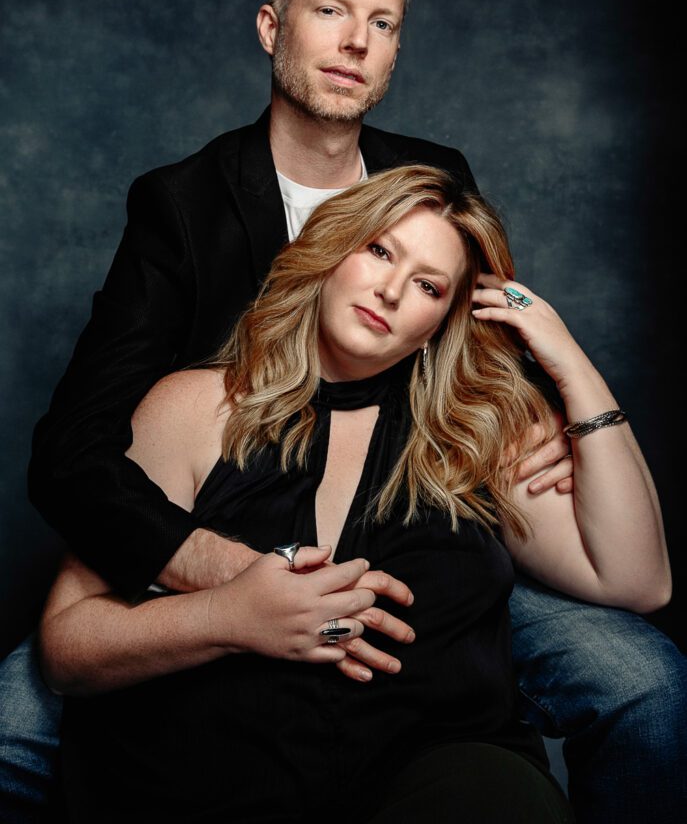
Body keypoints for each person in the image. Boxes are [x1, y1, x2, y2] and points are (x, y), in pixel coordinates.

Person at [1, 0, 685, 823]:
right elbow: (73, 453)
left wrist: (559, 427)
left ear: (397, 50)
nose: (355, 42)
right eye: (331, 12)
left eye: (382, 22)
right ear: (272, 27)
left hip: (421, 552)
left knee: (641, 682)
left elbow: (469, 356)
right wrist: (226, 578)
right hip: (233, 543)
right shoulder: (182, 204)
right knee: (18, 718)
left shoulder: (432, 177)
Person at [39, 165, 670, 823]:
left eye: (428, 285)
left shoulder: (479, 424)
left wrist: (566, 361)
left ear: (440, 322)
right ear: (332, 251)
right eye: (378, 250)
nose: (392, 290)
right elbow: (69, 649)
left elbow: (635, 581)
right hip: (212, 775)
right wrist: (227, 618)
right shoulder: (193, 407)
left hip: (436, 780)